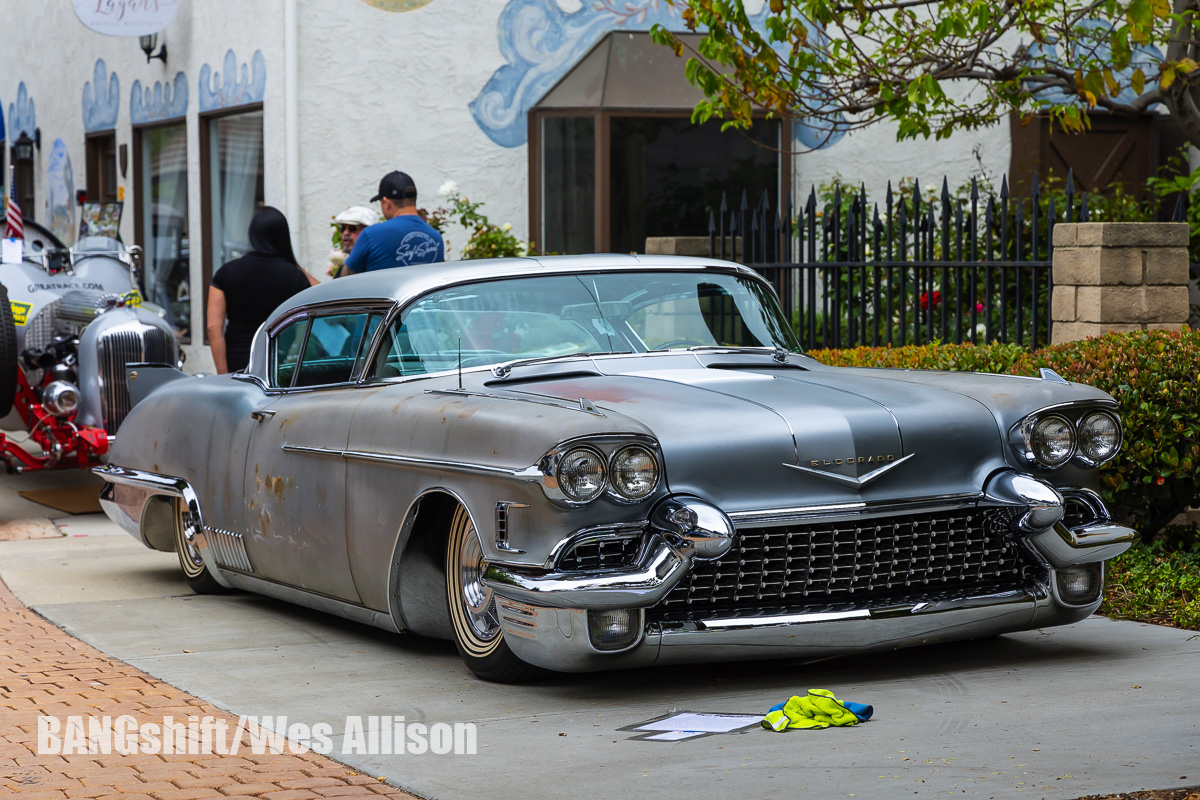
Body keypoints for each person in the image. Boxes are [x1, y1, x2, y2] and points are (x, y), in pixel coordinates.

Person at [207, 206, 319, 374]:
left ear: (252, 235)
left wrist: (223, 374)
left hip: (238, 359)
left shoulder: (226, 273)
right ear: (283, 236)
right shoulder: (294, 276)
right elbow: (322, 294)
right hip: (280, 361)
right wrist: (296, 266)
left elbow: (213, 328)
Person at [342, 171, 444, 273]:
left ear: (387, 203)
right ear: (414, 199)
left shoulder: (371, 235)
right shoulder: (436, 237)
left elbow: (345, 279)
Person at [331, 205, 380, 278]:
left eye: (352, 228)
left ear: (370, 232)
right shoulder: (348, 265)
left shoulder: (375, 264)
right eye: (343, 228)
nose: (345, 233)